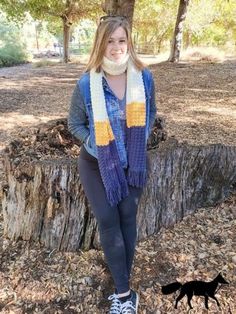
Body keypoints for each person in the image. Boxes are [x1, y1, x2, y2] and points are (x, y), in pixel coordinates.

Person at [68, 15, 157, 314]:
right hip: (96, 163)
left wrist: (135, 145)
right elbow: (74, 124)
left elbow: (151, 114)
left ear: (129, 42)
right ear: (100, 43)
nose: (117, 47)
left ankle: (122, 280)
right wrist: (97, 143)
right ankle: (123, 295)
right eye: (110, 40)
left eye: (122, 40)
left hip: (132, 161)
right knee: (108, 220)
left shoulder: (144, 77)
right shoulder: (86, 83)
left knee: (128, 217)